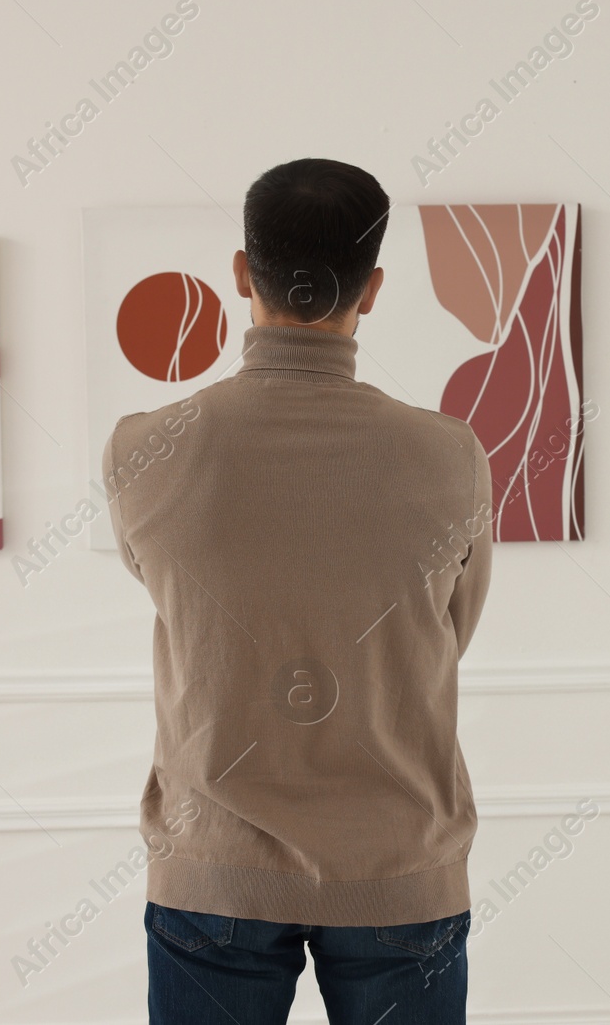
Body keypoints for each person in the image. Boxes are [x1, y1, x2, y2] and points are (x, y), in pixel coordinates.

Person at [103, 158, 493, 1024]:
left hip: (214, 868)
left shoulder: (143, 449)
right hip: (399, 870)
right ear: (376, 287)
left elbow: (165, 587)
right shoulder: (451, 455)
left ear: (242, 272)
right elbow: (450, 631)